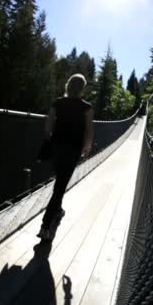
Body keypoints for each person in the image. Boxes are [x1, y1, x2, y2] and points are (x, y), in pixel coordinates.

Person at [38, 74, 94, 239]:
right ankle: (45, 226)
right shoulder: (87, 107)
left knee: (60, 181)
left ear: (68, 85)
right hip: (73, 149)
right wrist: (87, 147)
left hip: (56, 147)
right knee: (60, 187)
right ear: (82, 88)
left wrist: (49, 139)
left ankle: (58, 210)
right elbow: (89, 130)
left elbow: (48, 124)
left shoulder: (57, 102)